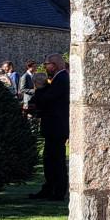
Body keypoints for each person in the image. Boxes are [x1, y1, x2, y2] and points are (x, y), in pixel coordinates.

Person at [28, 53, 70, 200]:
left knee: (56, 160)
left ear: (55, 65)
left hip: (56, 126)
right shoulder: (58, 79)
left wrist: (39, 90)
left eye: (47, 64)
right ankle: (49, 188)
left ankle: (58, 191)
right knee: (49, 159)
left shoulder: (62, 79)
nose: (45, 67)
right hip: (53, 126)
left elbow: (48, 98)